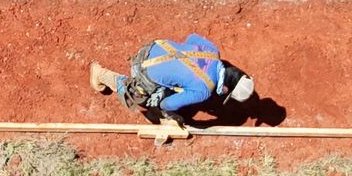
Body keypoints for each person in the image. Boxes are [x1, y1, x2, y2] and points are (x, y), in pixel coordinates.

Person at [90, 33, 254, 125]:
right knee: (143, 97)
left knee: (176, 83)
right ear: (225, 89)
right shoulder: (203, 91)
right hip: (142, 68)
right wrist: (170, 114)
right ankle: (102, 75)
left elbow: (191, 38)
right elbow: (166, 104)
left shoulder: (213, 51)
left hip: (154, 47)